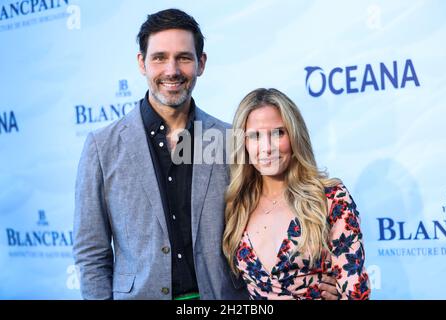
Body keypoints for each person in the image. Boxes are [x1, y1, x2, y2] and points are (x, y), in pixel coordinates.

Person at [73, 9, 339, 300]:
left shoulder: (231, 139)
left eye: (184, 58)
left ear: (201, 63)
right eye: (159, 57)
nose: (171, 70)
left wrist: (309, 281)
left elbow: (275, 208)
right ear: (142, 63)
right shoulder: (103, 147)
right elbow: (91, 253)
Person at [223, 88, 371, 300]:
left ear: (295, 136)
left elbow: (355, 293)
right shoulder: (237, 205)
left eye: (278, 133)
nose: (266, 148)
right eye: (254, 136)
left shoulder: (331, 199)